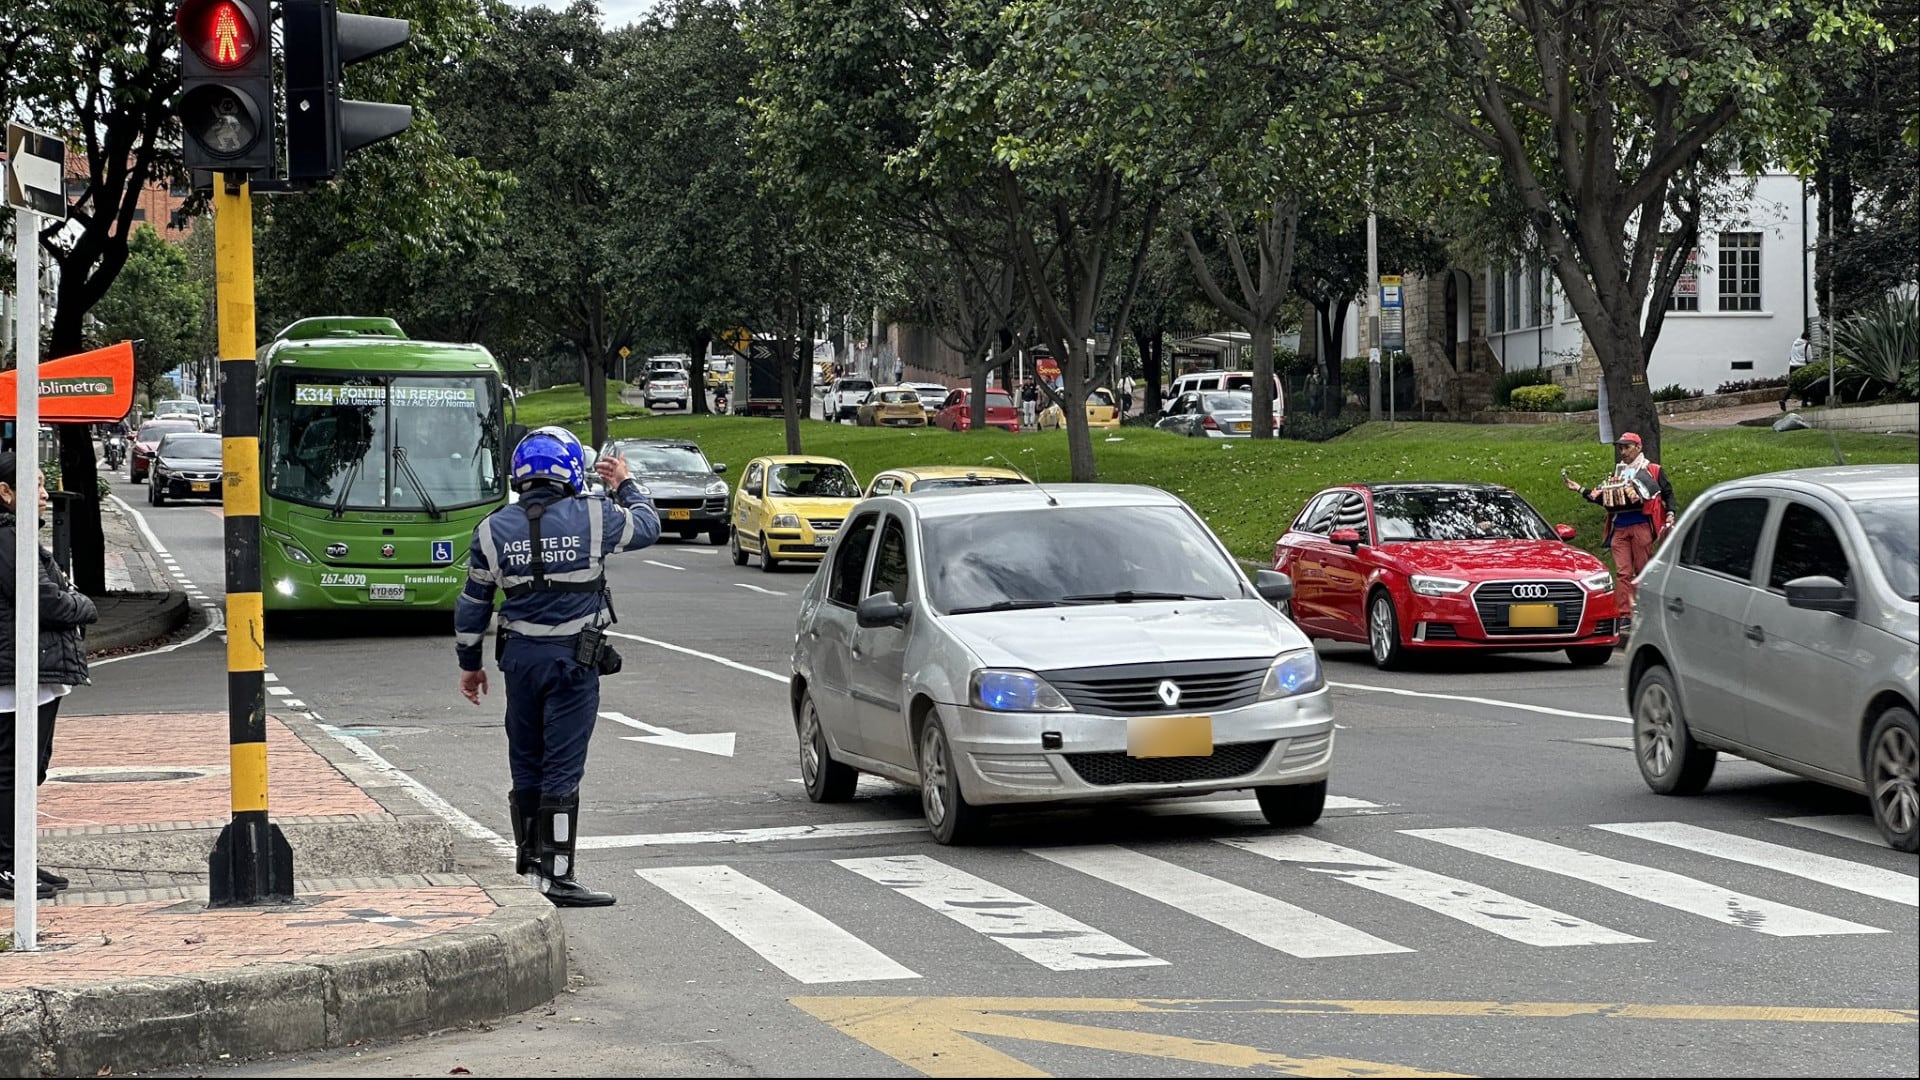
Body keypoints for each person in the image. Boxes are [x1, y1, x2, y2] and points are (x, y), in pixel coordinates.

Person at [454, 426, 660, 907]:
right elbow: (647, 526)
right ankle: (559, 875)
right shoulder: (594, 515)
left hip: (519, 663)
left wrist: (470, 664)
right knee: (562, 768)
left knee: (525, 760)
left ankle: (527, 867)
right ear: (570, 469)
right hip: (572, 662)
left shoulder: (491, 528)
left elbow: (472, 604)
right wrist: (624, 483)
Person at [0, 452, 98, 901]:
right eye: (35, 485)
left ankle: (18, 860)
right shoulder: (8, 539)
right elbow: (47, 601)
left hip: (33, 676)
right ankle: (7, 866)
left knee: (28, 771)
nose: (44, 495)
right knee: (13, 772)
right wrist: (83, 605)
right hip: (15, 678)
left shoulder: (19, 538)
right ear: (6, 493)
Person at [1563, 432, 1677, 627]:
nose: (1623, 451)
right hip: (1620, 529)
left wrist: (1671, 513)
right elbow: (1603, 499)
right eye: (1620, 448)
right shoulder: (1618, 474)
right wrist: (1581, 489)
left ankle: (1644, 611)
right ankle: (1625, 614)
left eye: (1627, 447)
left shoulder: (1652, 470)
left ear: (1638, 447)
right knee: (1623, 572)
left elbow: (1667, 493)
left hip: (1641, 526)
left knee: (1642, 570)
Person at [1782, 330, 1810, 411]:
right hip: (1802, 366)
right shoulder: (1807, 345)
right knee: (1805, 384)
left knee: (1792, 385)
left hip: (1792, 366)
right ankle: (1804, 402)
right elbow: (1809, 358)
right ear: (1808, 338)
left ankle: (1783, 400)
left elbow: (1791, 355)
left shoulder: (1794, 343)